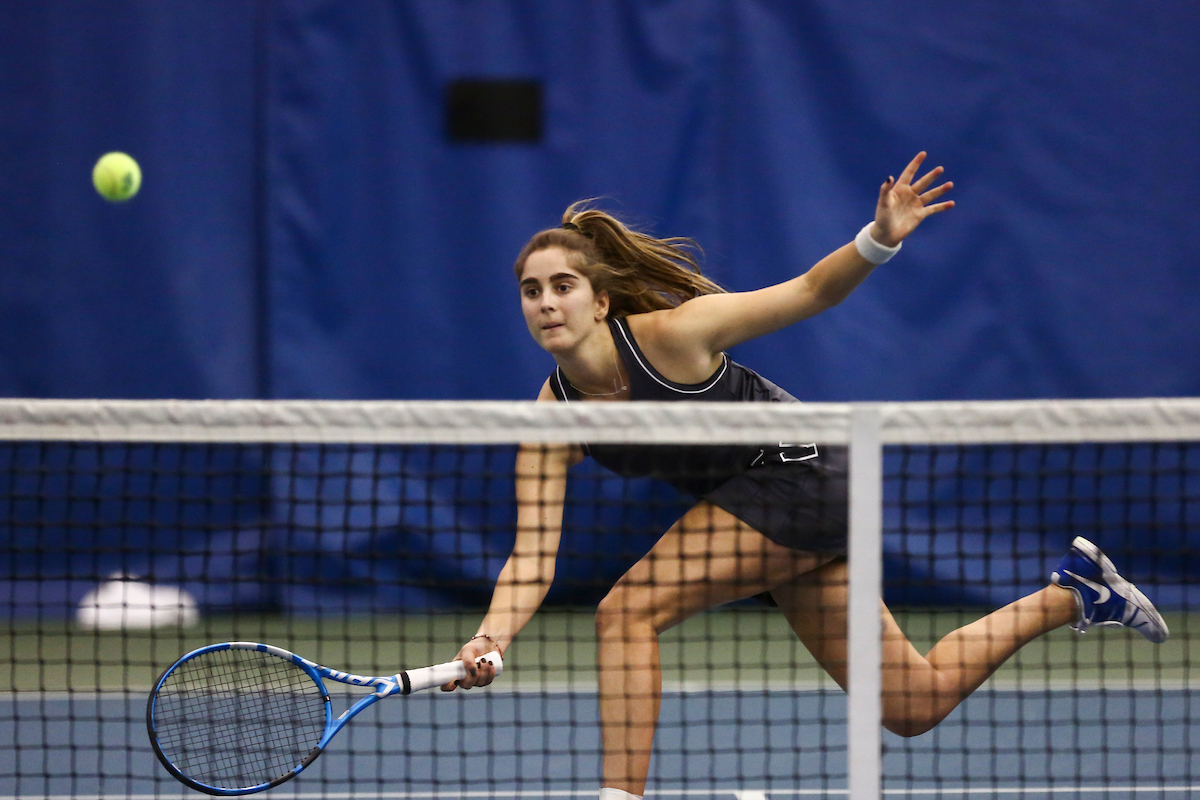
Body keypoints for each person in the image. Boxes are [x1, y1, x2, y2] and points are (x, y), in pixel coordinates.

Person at [442, 153, 1169, 800]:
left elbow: (812, 291)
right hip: (760, 510)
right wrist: (490, 637)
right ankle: (1072, 594)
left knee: (624, 612)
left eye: (562, 286)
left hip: (802, 474)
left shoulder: (673, 337)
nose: (546, 303)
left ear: (599, 301)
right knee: (912, 704)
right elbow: (532, 557)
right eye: (531, 291)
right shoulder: (551, 420)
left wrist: (879, 237)